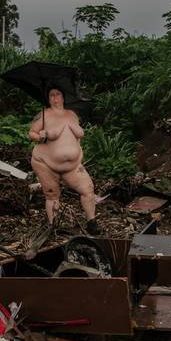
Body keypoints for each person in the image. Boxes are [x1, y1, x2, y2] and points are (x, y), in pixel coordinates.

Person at [28, 86, 100, 234]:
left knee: (87, 189)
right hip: (46, 163)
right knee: (52, 194)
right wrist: (41, 135)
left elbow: (77, 136)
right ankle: (53, 226)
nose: (55, 98)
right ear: (48, 99)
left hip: (72, 165)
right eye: (51, 95)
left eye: (58, 94)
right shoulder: (43, 115)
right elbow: (31, 133)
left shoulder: (72, 114)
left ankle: (92, 222)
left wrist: (77, 153)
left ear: (63, 97)